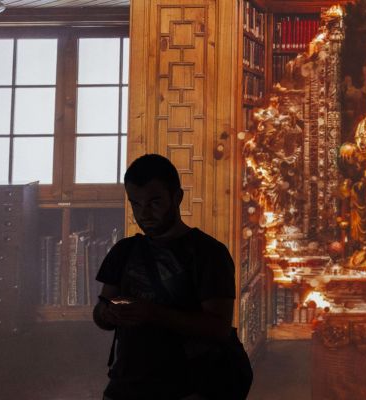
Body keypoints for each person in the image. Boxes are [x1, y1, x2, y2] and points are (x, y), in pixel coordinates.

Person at [93, 153, 252, 399]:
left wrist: (152, 313)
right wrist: (108, 312)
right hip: (128, 381)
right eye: (136, 204)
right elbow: (102, 312)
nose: (144, 213)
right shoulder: (123, 252)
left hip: (188, 384)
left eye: (154, 202)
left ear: (177, 197)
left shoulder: (208, 254)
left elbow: (218, 327)